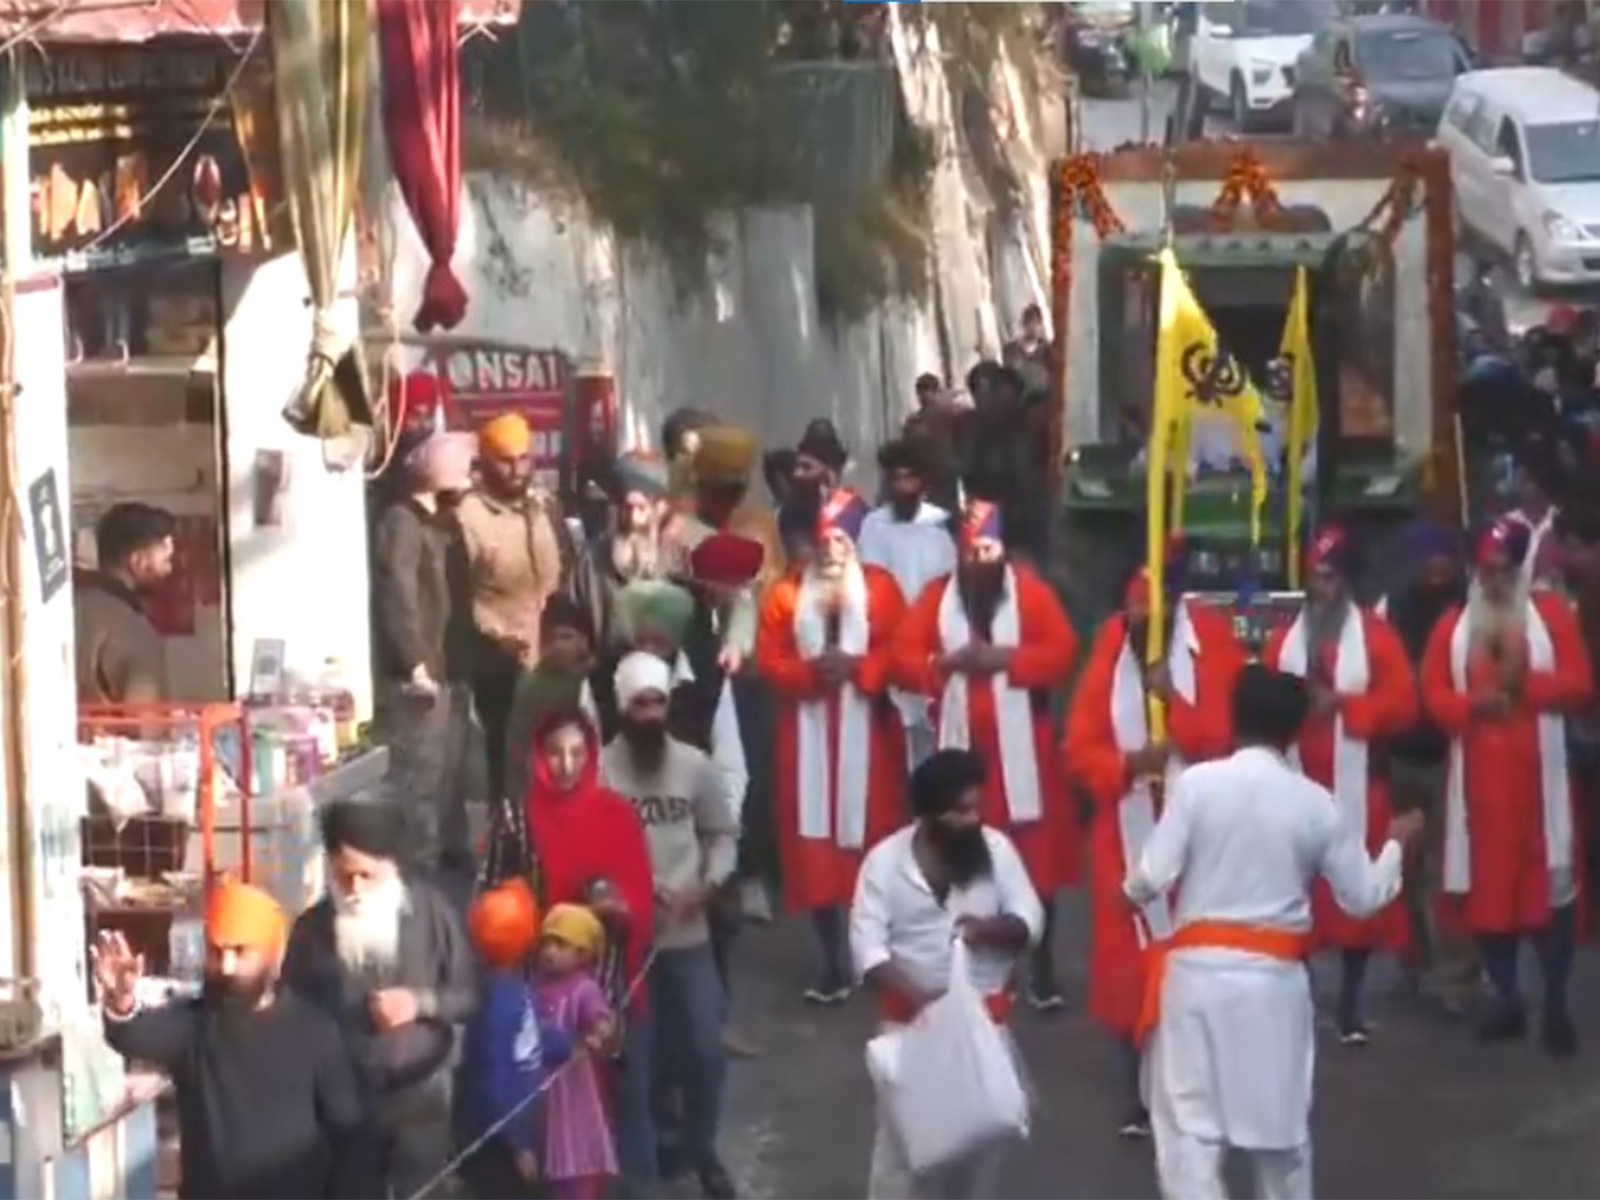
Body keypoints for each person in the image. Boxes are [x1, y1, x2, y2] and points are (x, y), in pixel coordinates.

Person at [1126, 666, 1423, 1200]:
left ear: (1233, 720)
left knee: (1191, 1136)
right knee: (1280, 1142)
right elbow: (1363, 898)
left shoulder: (1195, 785)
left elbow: (1148, 879)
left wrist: (1129, 890)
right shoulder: (1315, 803)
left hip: (1196, 981)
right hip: (1272, 987)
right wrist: (1397, 845)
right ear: (1294, 731)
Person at [1063, 560, 1244, 1137]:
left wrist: (1176, 709)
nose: (1140, 619)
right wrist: (1126, 764)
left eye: (1150, 611)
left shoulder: (1211, 641)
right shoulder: (1110, 648)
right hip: (1125, 830)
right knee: (1126, 966)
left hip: (1200, 832)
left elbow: (1231, 734)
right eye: (1133, 610)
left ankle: (1197, 1085)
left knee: (1197, 956)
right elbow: (1079, 745)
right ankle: (1133, 1092)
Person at [893, 498, 1080, 1009]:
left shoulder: (1032, 595)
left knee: (1036, 862)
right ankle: (962, 955)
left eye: (989, 548)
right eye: (972, 550)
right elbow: (902, 655)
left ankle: (1042, 968)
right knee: (965, 855)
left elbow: (1062, 652)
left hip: (1025, 758)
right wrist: (944, 661)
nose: (981, 559)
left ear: (1003, 550)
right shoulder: (937, 597)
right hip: (963, 755)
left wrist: (1005, 659)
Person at [1421, 517, 1594, 1055]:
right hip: (1480, 798)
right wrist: (1473, 704)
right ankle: (1509, 999)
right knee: (1489, 906)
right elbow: (1430, 692)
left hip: (1541, 795)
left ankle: (1557, 1004)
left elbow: (1581, 684)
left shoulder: (1550, 619)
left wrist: (1529, 687)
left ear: (1519, 572)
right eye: (1485, 570)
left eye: (1504, 570)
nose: (1494, 580)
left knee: (1552, 903)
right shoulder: (1453, 625)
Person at [94, 882, 378, 1199]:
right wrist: (120, 1001)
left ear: (275, 954)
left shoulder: (314, 1032)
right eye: (217, 952)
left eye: (241, 952)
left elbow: (351, 1137)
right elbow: (133, 1033)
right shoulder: (197, 1026)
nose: (227, 966)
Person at [850, 748, 1043, 1200]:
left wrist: (988, 931)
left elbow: (1029, 921)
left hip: (983, 1029)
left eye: (976, 807)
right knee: (900, 1152)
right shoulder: (883, 862)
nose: (973, 819)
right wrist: (928, 1007)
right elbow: (867, 951)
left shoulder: (996, 850)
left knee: (979, 1146)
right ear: (930, 816)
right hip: (909, 1027)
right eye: (961, 811)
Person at [1262, 525, 1418, 1044]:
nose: (1317, 587)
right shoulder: (1285, 640)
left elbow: (1404, 707)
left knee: (1356, 901)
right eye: (1312, 576)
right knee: (1294, 895)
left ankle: (1351, 1003)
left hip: (1358, 789)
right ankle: (1301, 996)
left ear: (1345, 581)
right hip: (1297, 784)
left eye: (1327, 577)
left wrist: (1347, 705)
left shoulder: (1376, 637)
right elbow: (1261, 703)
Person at [757, 489, 909, 1003]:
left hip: (869, 737)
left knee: (873, 843)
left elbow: (901, 649)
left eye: (842, 538)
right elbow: (769, 657)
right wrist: (808, 672)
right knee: (813, 849)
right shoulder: (786, 594)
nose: (832, 550)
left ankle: (874, 953)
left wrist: (860, 668)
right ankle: (829, 959)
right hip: (807, 737)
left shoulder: (881, 591)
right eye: (825, 540)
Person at [283, 798, 478, 1197]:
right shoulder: (312, 931)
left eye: (365, 876)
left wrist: (418, 1003)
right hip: (346, 1102)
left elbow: (469, 996)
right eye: (343, 876)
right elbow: (291, 1013)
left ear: (391, 870)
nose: (353, 889)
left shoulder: (431, 914)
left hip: (422, 1095)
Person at [601, 652, 740, 1199]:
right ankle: (639, 1178)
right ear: (622, 708)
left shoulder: (694, 765)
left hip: (689, 936)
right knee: (636, 1066)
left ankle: (698, 1152)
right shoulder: (601, 772)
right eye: (641, 703)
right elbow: (591, 854)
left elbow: (722, 833)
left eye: (659, 702)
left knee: (705, 1051)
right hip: (626, 947)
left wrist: (705, 888)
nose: (652, 713)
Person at [521, 708, 659, 1194]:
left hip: (607, 984)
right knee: (549, 1110)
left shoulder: (615, 814)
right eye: (555, 752)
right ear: (538, 755)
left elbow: (640, 896)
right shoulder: (517, 818)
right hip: (539, 993)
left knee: (621, 1100)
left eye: (577, 753)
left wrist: (617, 909)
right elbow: (494, 898)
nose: (565, 764)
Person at [371, 425, 480, 878]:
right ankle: (420, 873)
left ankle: (449, 861)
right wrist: (413, 660)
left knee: (451, 777)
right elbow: (397, 592)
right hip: (421, 676)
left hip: (450, 669)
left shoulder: (443, 521)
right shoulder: (402, 520)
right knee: (422, 779)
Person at [1384, 522, 1477, 1009]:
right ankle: (1411, 965)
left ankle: (1459, 974)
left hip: (1452, 756)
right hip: (1401, 753)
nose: (1437, 566)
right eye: (1429, 557)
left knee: (1451, 868)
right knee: (1403, 868)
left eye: (1445, 557)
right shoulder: (1391, 609)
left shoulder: (1470, 606)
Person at [457, 411, 572, 803]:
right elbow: (458, 594)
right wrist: (492, 639)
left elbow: (566, 567)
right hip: (500, 660)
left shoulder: (544, 506)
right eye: (506, 460)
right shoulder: (468, 516)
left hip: (554, 657)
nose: (517, 469)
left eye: (524, 458)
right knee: (507, 765)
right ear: (485, 461)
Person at [459, 879, 571, 1199]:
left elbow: (530, 1042)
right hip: (499, 1139)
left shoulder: (508, 989)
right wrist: (518, 1144)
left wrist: (565, 1043)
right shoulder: (505, 1001)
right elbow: (498, 1077)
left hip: (505, 1128)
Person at [858, 439, 958, 770]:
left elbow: (948, 587)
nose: (903, 486)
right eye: (896, 478)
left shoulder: (940, 527)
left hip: (927, 644)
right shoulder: (873, 526)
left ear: (923, 483)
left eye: (910, 478)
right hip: (887, 641)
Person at [534, 903, 620, 1200]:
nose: (549, 951)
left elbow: (601, 1019)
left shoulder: (584, 989)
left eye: (561, 944)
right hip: (542, 1087)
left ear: (583, 953)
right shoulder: (536, 984)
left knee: (575, 1154)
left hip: (573, 1091)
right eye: (546, 942)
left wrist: (599, 1032)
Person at [498, 595, 600, 844]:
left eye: (567, 637)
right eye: (551, 638)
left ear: (584, 641)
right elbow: (517, 744)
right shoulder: (532, 685)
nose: (558, 646)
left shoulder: (597, 680)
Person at [571, 450, 672, 656]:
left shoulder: (676, 561)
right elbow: (572, 621)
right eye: (627, 508)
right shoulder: (590, 560)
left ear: (660, 508)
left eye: (641, 508)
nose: (633, 518)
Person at [74, 501, 176, 704]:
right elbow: (146, 727)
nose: (170, 571)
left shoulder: (71, 608)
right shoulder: (132, 628)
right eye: (165, 561)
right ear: (138, 562)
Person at [792, 419, 849, 511]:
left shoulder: (855, 513)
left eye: (807, 467)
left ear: (830, 469)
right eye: (796, 466)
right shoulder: (788, 515)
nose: (797, 474)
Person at [1001, 301, 1052, 400]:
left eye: (1037, 323)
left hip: (1042, 403)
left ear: (1041, 325)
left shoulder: (1047, 351)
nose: (1033, 327)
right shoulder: (1010, 351)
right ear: (1024, 324)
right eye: (1029, 322)